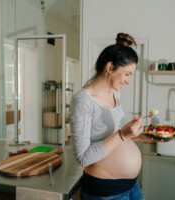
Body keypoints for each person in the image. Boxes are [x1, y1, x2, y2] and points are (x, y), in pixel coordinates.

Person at [70, 33, 145, 200]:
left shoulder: (114, 93)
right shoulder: (83, 101)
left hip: (132, 185)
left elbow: (111, 135)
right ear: (110, 67)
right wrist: (122, 134)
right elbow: (83, 158)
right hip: (106, 192)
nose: (128, 81)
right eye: (127, 74)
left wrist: (135, 135)